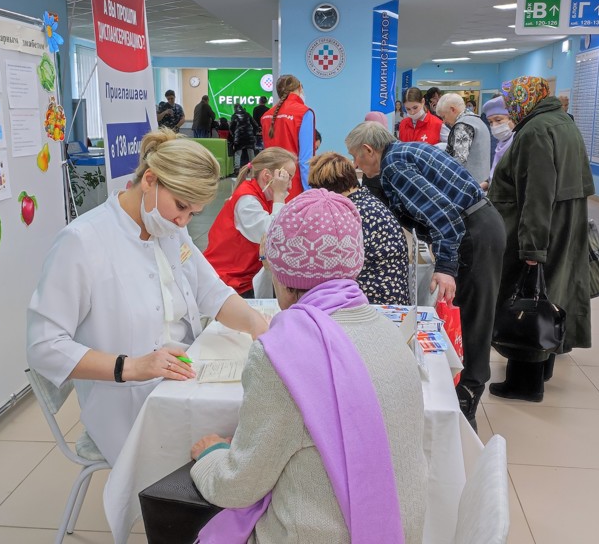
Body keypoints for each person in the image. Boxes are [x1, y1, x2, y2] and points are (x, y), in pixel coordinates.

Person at [190, 189, 427, 544]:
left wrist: (209, 456)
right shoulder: (388, 332)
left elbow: (238, 486)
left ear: (282, 277)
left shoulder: (281, 356)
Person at [27, 128, 269, 464]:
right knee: (240, 446)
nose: (183, 220)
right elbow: (44, 348)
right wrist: (134, 366)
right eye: (181, 206)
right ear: (150, 180)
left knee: (256, 426)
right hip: (127, 398)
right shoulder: (82, 242)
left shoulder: (169, 227)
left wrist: (259, 325)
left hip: (180, 380)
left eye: (193, 214)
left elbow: (211, 292)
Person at [346, 121, 506, 429]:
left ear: (369, 150)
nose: (355, 164)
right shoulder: (404, 152)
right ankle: (464, 389)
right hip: (481, 225)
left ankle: (466, 399)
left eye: (355, 156)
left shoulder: (393, 166)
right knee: (473, 312)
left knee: (472, 316)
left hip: (475, 232)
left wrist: (446, 267)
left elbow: (446, 216)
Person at [487, 76, 594, 402]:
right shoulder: (563, 121)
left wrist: (531, 248)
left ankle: (524, 382)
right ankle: (543, 363)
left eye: (510, 100)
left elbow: (537, 192)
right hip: (564, 224)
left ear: (523, 100)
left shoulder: (534, 132)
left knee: (527, 300)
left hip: (537, 227)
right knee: (551, 294)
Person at [308, 152, 412, 305]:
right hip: (390, 298)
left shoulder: (351, 213)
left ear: (327, 188)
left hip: (372, 302)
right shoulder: (367, 202)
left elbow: (331, 264)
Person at [204, 148, 296, 297]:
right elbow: (274, 236)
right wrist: (279, 194)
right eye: (287, 178)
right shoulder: (247, 201)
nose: (290, 185)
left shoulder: (262, 195)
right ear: (267, 176)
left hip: (245, 274)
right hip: (229, 279)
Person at [261, 74, 315, 200]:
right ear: (300, 87)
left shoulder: (266, 116)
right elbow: (305, 159)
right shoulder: (304, 113)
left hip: (270, 183)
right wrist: (309, 192)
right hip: (293, 184)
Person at [437, 92, 491, 184]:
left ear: (452, 109)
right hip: (483, 182)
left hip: (470, 186)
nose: (444, 121)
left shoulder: (463, 126)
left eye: (444, 116)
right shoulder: (477, 120)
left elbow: (457, 162)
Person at [480, 95, 516, 192]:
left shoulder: (518, 143)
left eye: (498, 120)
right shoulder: (501, 143)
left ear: (512, 118)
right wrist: (485, 184)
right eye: (490, 122)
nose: (494, 126)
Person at [229, 103, 261, 173]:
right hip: (249, 136)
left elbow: (231, 127)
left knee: (238, 153)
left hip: (239, 137)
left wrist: (233, 134)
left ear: (235, 109)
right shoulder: (247, 114)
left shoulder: (234, 116)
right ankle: (252, 168)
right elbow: (255, 124)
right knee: (250, 152)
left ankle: (237, 169)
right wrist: (254, 133)